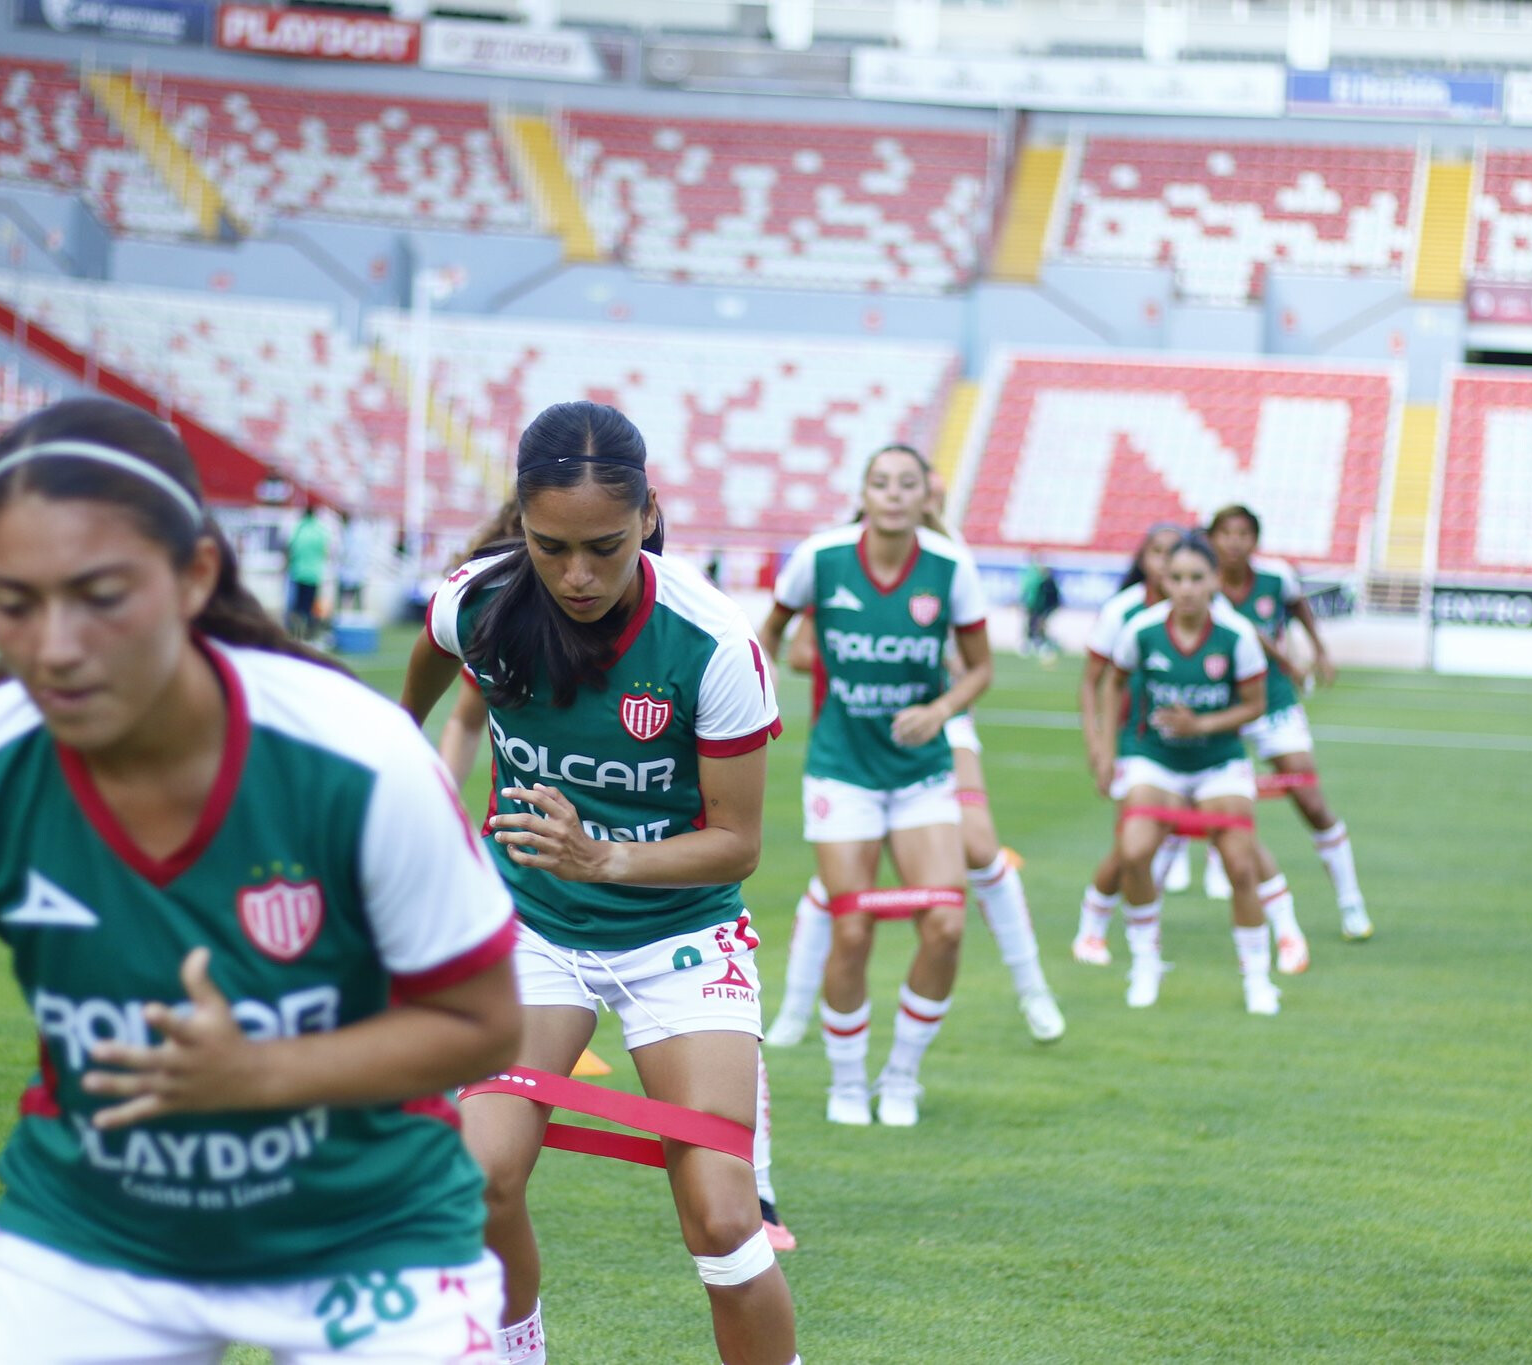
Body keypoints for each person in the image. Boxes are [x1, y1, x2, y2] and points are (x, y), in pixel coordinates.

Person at [0, 398, 522, 1363]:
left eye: (100, 594)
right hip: (90, 1237)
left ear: (195, 574)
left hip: (370, 1236)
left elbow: (486, 1024)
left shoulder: (357, 754)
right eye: (16, 601)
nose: (54, 645)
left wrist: (260, 1073)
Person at [402, 402, 798, 1365]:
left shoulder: (711, 642)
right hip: (534, 930)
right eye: (550, 546)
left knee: (722, 1221)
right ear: (521, 526)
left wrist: (607, 857)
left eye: (605, 547)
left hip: (681, 937)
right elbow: (413, 690)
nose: (577, 575)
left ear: (650, 516)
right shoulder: (475, 603)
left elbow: (738, 844)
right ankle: (514, 1350)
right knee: (478, 1174)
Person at [765, 478, 1062, 1051]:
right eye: (891, 485)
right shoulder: (839, 561)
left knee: (978, 848)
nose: (911, 497)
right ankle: (798, 1009)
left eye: (921, 488)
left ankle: (1032, 987)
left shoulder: (948, 559)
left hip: (941, 721)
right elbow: (800, 646)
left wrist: (927, 670)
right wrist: (865, 653)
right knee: (841, 888)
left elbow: (969, 658)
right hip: (858, 727)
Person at [758, 444, 993, 1129]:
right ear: (864, 492)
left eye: (907, 483)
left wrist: (941, 710)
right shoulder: (820, 557)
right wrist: (760, 700)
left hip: (921, 773)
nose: (893, 493)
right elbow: (767, 635)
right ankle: (848, 1082)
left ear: (928, 497)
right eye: (880, 482)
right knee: (852, 926)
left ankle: (902, 1075)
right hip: (842, 770)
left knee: (947, 923)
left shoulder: (952, 569)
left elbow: (979, 668)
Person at [1098, 533, 1281, 1015]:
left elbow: (1255, 706)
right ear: (1163, 579)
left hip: (1218, 761)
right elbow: (1110, 683)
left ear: (1216, 580)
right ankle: (1144, 962)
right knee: (1134, 851)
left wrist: (1200, 724)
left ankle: (1258, 978)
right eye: (1176, 578)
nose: (1186, 588)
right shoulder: (1140, 629)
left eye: (1197, 578)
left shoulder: (1237, 636)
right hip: (1154, 758)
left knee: (1241, 865)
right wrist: (1107, 749)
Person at [1208, 504, 1372, 942]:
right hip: (1219, 706)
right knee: (1199, 797)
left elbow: (1299, 609)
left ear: (1255, 540)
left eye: (1243, 533)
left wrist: (1318, 649)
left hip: (1274, 704)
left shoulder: (1276, 578)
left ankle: (1350, 902)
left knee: (1311, 802)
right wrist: (1291, 661)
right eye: (1225, 533)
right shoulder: (1201, 585)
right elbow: (1250, 637)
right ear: (1211, 539)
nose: (1234, 542)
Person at [1071, 522, 1184, 963]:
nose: (1165, 562)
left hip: (1185, 749)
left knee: (1159, 844)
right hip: (1134, 743)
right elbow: (1091, 683)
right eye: (1156, 552)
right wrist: (1099, 747)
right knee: (1134, 843)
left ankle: (1140, 937)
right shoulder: (1123, 611)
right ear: (1143, 559)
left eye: (1174, 553)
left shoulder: (1205, 611)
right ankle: (1093, 928)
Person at [284, 502, 330, 642]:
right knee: (311, 607)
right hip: (314, 574)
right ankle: (310, 635)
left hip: (298, 572)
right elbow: (325, 551)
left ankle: (296, 635)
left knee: (297, 607)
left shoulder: (299, 528)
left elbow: (290, 548)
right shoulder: (320, 530)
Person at [1018, 553, 1060, 659]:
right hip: (1034, 607)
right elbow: (1029, 593)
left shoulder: (1047, 581)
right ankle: (1031, 644)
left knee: (1039, 625)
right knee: (1031, 625)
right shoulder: (1034, 579)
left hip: (1041, 608)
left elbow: (1052, 598)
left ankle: (1040, 644)